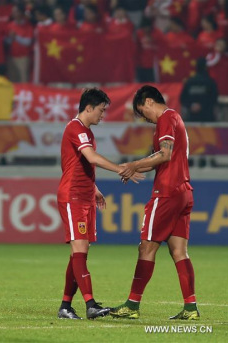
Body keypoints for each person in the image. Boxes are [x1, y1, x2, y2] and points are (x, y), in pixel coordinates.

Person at [111, 85, 199, 320]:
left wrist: (133, 164)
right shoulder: (174, 118)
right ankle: (191, 308)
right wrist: (132, 167)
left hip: (167, 191)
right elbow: (160, 159)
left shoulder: (166, 118)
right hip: (184, 191)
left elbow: (165, 154)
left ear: (149, 102)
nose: (144, 118)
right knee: (179, 251)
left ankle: (132, 305)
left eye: (143, 112)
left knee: (146, 247)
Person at [56, 88, 143, 320]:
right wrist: (121, 168)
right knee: (80, 251)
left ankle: (65, 305)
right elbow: (92, 158)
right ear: (89, 108)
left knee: (79, 254)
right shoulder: (75, 128)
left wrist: (93, 188)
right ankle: (90, 304)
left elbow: (78, 164)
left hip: (84, 196)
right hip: (72, 197)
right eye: (102, 110)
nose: (103, 115)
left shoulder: (87, 132)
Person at [180, 58, 219, 122]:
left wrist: (191, 105)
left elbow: (183, 99)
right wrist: (202, 106)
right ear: (206, 67)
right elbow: (214, 98)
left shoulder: (189, 81)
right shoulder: (211, 82)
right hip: (207, 119)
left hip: (192, 119)